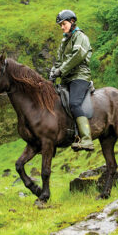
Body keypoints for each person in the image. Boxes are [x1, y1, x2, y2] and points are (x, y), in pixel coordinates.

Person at [49, 9, 94, 151]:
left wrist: (61, 70)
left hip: (80, 76)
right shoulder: (64, 41)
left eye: (64, 24)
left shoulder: (80, 37)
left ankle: (86, 139)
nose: (62, 27)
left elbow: (77, 56)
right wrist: (53, 71)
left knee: (74, 103)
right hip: (67, 78)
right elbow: (59, 61)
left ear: (72, 21)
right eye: (60, 25)